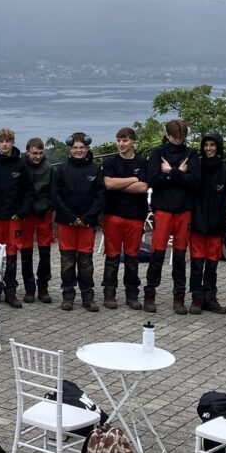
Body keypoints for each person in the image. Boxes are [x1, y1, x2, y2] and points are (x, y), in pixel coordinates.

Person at [144, 119, 200, 314]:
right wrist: (178, 174)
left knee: (179, 257)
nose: (178, 141)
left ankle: (179, 297)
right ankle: (149, 294)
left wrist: (170, 172)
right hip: (163, 211)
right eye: (175, 138)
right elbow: (152, 181)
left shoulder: (191, 153)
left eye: (181, 138)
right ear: (167, 135)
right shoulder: (157, 153)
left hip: (184, 211)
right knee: (157, 255)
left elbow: (195, 183)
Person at [50, 132, 106, 312]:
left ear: (88, 148)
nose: (79, 150)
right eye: (75, 147)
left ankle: (87, 297)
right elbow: (56, 196)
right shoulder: (62, 169)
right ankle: (68, 296)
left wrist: (87, 217)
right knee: (67, 261)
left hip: (87, 223)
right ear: (70, 149)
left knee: (85, 262)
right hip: (66, 223)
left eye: (82, 147)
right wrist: (71, 217)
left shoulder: (95, 169)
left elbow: (100, 196)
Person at [0, 128, 33, 308]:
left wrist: (21, 212)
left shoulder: (21, 165)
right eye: (1, 141)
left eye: (8, 141)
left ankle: (10, 292)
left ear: (13, 142)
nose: (5, 144)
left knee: (11, 256)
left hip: (13, 218)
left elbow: (28, 192)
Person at [101, 127, 150, 310]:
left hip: (135, 216)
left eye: (125, 140)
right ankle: (109, 293)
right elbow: (109, 184)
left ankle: (132, 294)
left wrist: (119, 184)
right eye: (119, 140)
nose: (121, 144)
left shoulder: (143, 162)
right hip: (113, 215)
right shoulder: (110, 162)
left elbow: (143, 188)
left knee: (132, 257)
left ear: (133, 142)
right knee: (112, 257)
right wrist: (132, 179)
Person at [188, 132, 226, 315]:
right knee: (197, 264)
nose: (209, 149)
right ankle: (197, 298)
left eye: (212, 145)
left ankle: (210, 297)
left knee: (212, 264)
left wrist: (222, 223)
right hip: (197, 224)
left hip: (216, 225)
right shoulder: (196, 168)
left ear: (218, 147)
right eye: (206, 145)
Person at [20, 138, 54, 304]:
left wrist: (49, 208)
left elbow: (53, 191)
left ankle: (43, 287)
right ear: (28, 152)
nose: (38, 156)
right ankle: (29, 288)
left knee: (45, 254)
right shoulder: (20, 167)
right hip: (26, 215)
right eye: (34, 153)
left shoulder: (49, 168)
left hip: (43, 214)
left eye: (40, 153)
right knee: (26, 254)